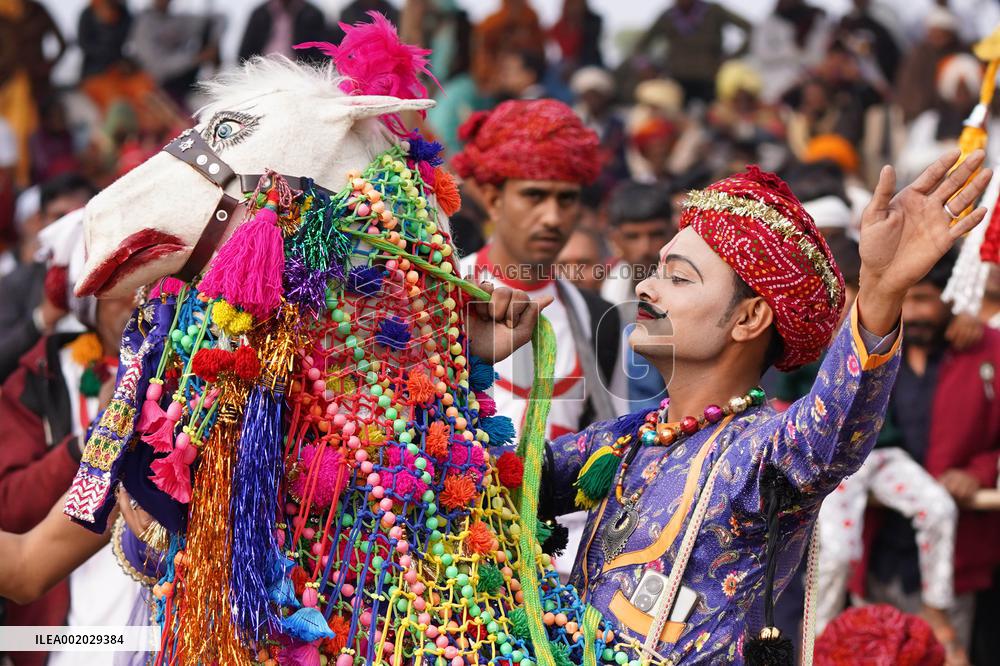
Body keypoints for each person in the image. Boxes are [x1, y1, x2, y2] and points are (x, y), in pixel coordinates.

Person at [535, 148, 990, 663]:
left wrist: (882, 292)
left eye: (679, 278)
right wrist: (461, 353)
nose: (646, 285)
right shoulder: (628, 438)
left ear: (748, 319)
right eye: (657, 270)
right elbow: (502, 483)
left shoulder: (762, 454)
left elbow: (835, 422)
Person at [0, 211, 144, 666]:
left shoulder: (195, 404)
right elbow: (24, 567)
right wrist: (92, 441)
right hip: (67, 646)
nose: (138, 302)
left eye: (151, 285)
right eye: (120, 288)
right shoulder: (43, 378)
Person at [858, 247, 1000, 657]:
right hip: (879, 554)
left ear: (952, 296)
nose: (913, 311)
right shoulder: (873, 350)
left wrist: (979, 472)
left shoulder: (987, 351)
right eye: (905, 298)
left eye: (923, 298)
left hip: (957, 560)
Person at [0, 173, 96, 382]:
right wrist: (41, 320)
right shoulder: (15, 283)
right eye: (60, 217)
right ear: (41, 222)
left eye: (80, 218)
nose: (70, 227)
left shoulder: (118, 282)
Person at [633, 0, 752, 105]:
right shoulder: (668, 16)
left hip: (711, 80)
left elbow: (750, 29)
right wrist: (645, 66)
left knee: (716, 118)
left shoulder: (714, 11)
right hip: (677, 81)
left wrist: (732, 58)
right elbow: (640, 46)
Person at [238, 0, 330, 63]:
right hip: (262, 70)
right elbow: (244, 53)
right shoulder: (259, 14)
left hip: (298, 73)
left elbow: (320, 54)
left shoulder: (313, 15)